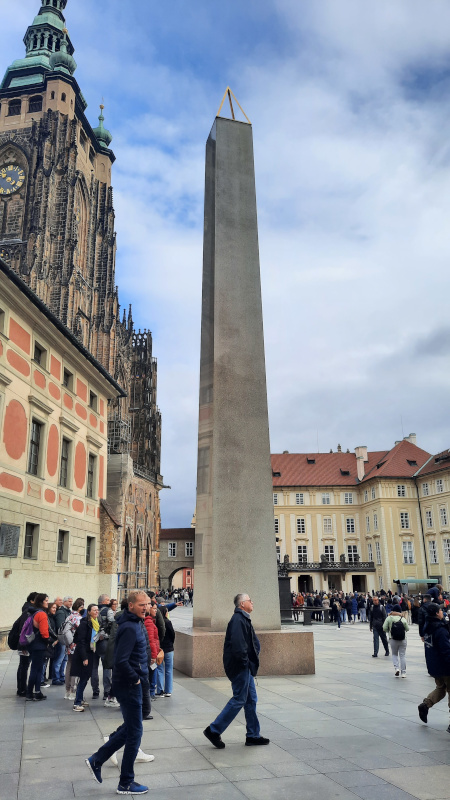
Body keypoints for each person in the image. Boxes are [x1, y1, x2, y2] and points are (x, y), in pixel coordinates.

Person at [85, 590, 154, 796]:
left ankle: (97, 759)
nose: (146, 607)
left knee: (132, 728)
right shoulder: (130, 627)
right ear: (131, 605)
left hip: (133, 683)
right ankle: (125, 782)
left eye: (148, 604)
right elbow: (121, 660)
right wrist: (136, 678)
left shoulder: (135, 622)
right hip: (129, 685)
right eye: (142, 605)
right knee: (135, 733)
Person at [203, 593, 269, 749]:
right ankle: (214, 730)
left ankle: (253, 735)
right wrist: (246, 663)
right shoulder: (238, 620)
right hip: (241, 667)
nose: (252, 602)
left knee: (251, 699)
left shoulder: (243, 618)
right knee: (240, 699)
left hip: (245, 666)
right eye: (249, 600)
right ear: (242, 604)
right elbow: (239, 646)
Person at [418, 603, 450, 729]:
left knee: (441, 688)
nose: (442, 611)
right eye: (440, 610)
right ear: (437, 613)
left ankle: (425, 705)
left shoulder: (427, 627)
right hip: (445, 666)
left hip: (434, 666)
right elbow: (446, 650)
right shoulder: (440, 629)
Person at [71, 603, 99, 711]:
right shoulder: (85, 624)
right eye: (94, 610)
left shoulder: (95, 623)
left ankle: (80, 698)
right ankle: (77, 703)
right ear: (89, 612)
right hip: (84, 654)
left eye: (97, 610)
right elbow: (81, 641)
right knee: (83, 678)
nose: (97, 612)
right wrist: (84, 657)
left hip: (91, 652)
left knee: (86, 677)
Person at [26, 593, 50, 701]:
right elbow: (44, 632)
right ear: (41, 601)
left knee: (37, 668)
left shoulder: (33, 612)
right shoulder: (42, 614)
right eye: (46, 600)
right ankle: (31, 693)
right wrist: (48, 640)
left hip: (33, 644)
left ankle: (36, 692)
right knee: (36, 669)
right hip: (39, 645)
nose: (47, 602)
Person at [15, 591, 37, 696]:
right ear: (32, 601)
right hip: (24, 643)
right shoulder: (28, 611)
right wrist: (23, 645)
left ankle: (21, 687)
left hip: (22, 643)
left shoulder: (27, 610)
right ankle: (22, 689)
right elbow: (22, 630)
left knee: (23, 665)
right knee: (24, 665)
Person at [64, 598, 84, 700]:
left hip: (69, 645)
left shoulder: (69, 617)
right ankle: (72, 690)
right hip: (76, 646)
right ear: (80, 607)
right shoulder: (78, 618)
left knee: (69, 666)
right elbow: (81, 633)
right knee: (75, 668)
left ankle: (67, 690)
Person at [383, 603, 409, 677]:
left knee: (394, 654)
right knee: (402, 655)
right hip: (403, 639)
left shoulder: (389, 618)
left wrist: (390, 631)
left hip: (393, 639)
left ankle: (396, 668)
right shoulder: (403, 619)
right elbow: (407, 629)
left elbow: (384, 628)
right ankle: (403, 672)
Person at [156, 605, 175, 697]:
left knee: (159, 669)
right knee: (169, 670)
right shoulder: (168, 622)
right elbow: (172, 634)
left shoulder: (156, 622)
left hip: (159, 649)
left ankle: (160, 690)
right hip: (169, 649)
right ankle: (168, 691)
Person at [53, 595, 73, 683]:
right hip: (62, 639)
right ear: (64, 602)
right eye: (69, 601)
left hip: (67, 639)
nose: (71, 603)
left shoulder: (68, 611)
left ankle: (61, 676)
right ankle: (56, 678)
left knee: (64, 659)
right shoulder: (61, 612)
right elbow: (61, 626)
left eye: (71, 601)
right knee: (60, 659)